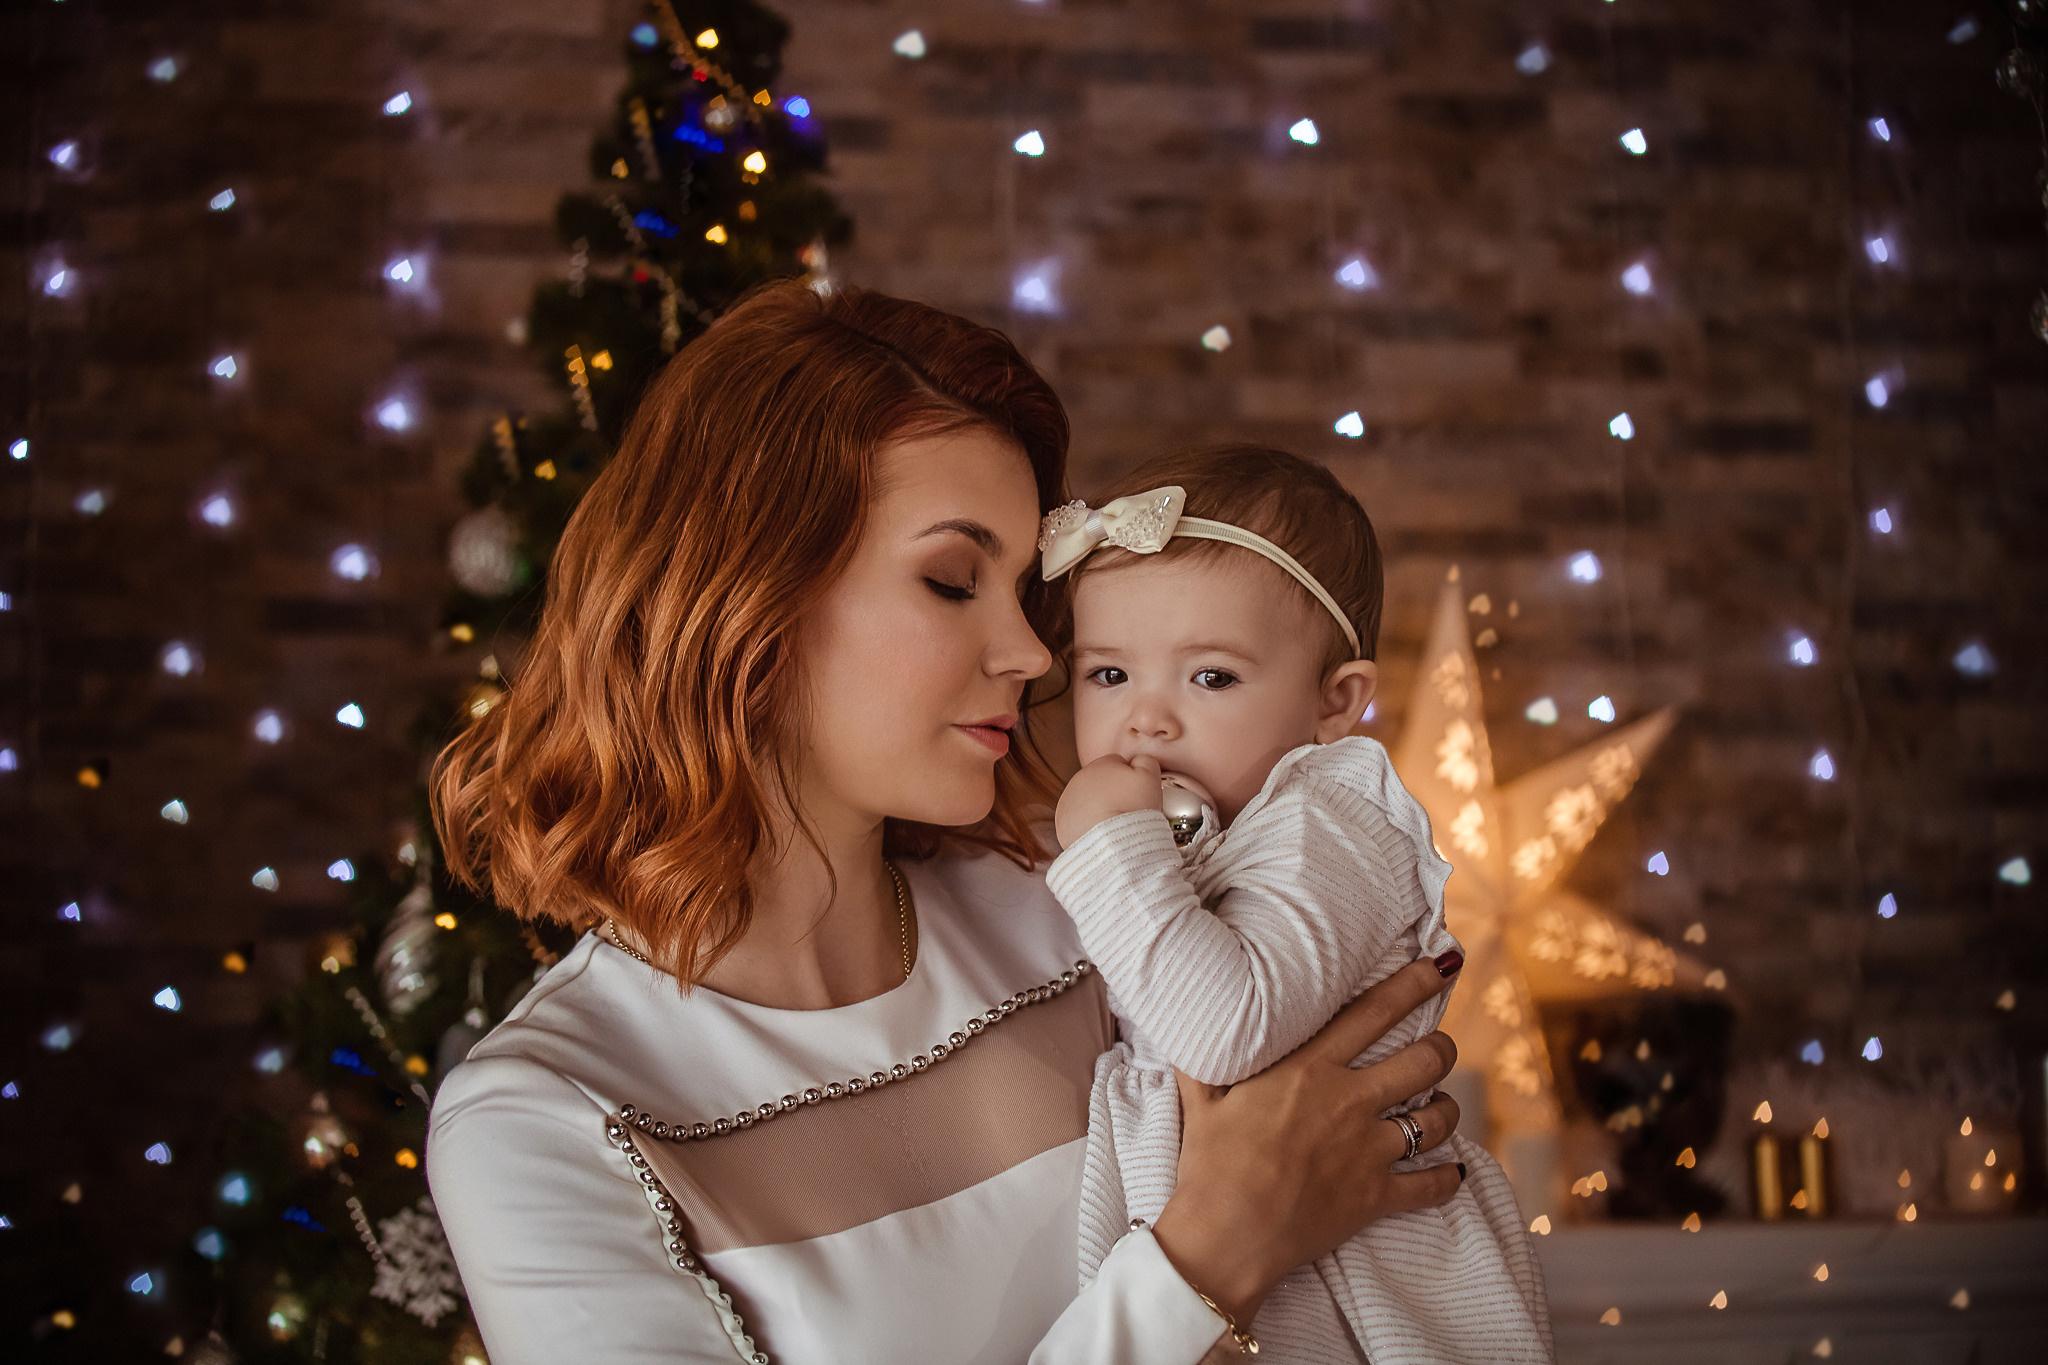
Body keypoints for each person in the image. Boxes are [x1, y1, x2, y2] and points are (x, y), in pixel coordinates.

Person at [424, 281, 1469, 1364]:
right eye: (950, 580)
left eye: (1023, 590)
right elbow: (1244, 1227)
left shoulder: (1096, 920)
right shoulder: (546, 1122)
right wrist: (1207, 1261)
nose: (1028, 651)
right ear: (745, 594)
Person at [1040, 448, 1553, 1363]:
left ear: (1335, 702)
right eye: (1109, 675)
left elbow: (1227, 1029)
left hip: (1349, 1278)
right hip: (1223, 1256)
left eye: (1211, 678)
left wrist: (1108, 847)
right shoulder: (1197, 830)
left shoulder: (1330, 823)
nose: (1144, 720)